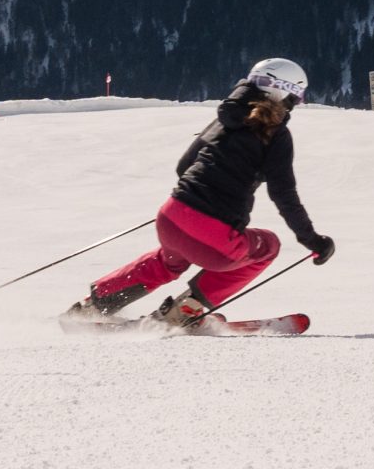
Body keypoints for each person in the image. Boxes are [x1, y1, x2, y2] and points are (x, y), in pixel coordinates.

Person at [66, 58, 337, 330]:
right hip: (215, 240)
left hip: (171, 216)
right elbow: (283, 194)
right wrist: (313, 241)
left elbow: (184, 166)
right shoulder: (276, 134)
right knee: (268, 245)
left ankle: (93, 305)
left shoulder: (224, 119)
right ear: (282, 92)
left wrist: (194, 201)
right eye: (296, 96)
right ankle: (183, 311)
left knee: (169, 260)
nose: (296, 103)